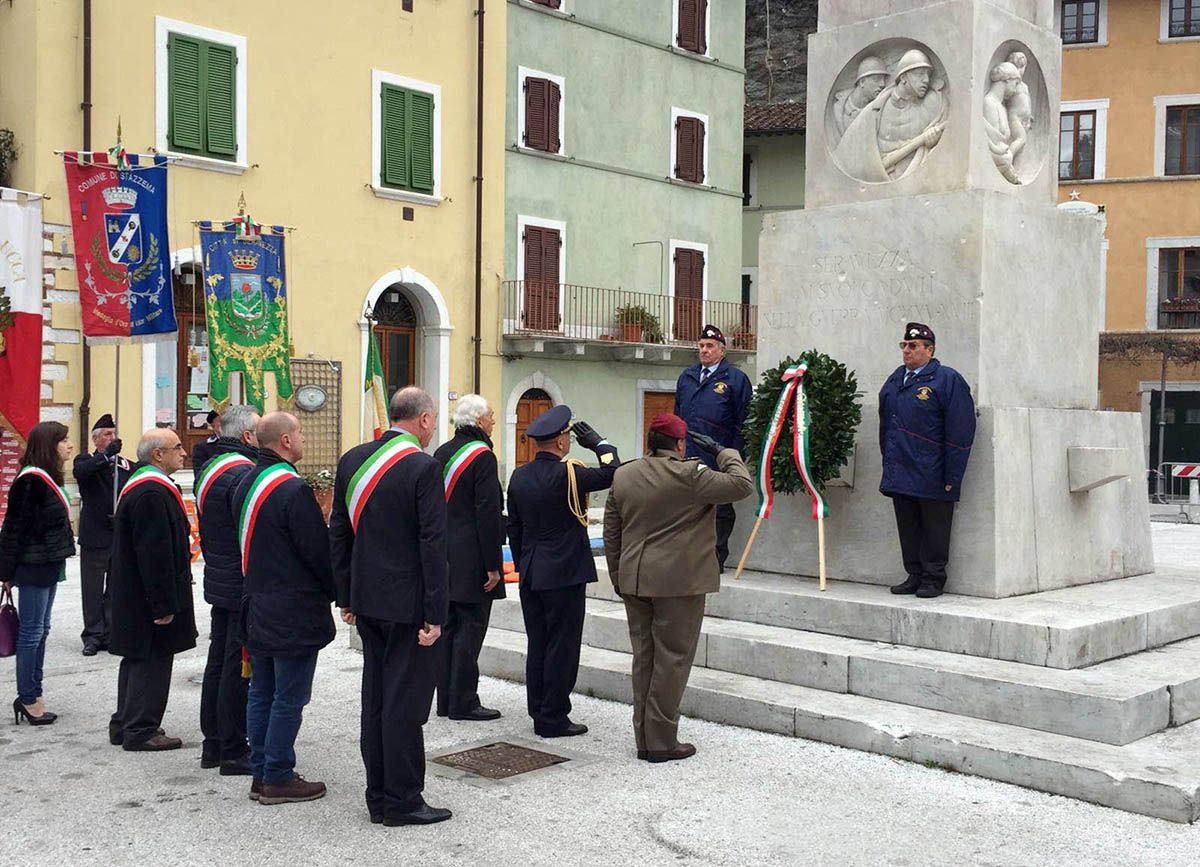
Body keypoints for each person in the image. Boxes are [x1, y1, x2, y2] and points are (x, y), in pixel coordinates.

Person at [331, 387, 451, 826]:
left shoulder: (352, 460)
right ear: (422, 420)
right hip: (409, 607)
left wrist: (345, 595)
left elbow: (339, 533)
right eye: (433, 419)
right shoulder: (423, 466)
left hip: (368, 600)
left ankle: (378, 796)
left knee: (376, 700)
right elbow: (432, 545)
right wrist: (436, 613)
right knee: (403, 705)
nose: (433, 426)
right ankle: (402, 800)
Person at [604, 413, 753, 762]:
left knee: (645, 658)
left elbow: (612, 530)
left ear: (649, 442)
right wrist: (724, 451)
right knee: (672, 660)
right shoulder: (689, 474)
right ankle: (660, 741)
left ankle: (644, 735)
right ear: (681, 444)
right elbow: (742, 485)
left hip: (634, 579)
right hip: (678, 583)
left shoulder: (624, 474)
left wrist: (618, 575)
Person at [232, 411, 335, 805]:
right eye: (301, 433)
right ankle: (277, 774)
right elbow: (316, 552)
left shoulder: (247, 481)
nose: (304, 438)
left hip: (256, 600)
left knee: (261, 691)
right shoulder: (291, 490)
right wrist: (339, 591)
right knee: (288, 696)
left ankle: (261, 771)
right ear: (286, 441)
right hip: (291, 609)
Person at [506, 404, 619, 738]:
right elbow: (614, 472)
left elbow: (514, 528)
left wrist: (524, 563)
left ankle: (538, 708)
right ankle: (553, 716)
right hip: (564, 574)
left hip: (531, 571)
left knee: (538, 642)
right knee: (562, 646)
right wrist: (600, 443)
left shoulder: (519, 476)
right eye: (568, 437)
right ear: (559, 442)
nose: (569, 442)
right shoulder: (571, 474)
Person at [108, 428, 197, 750]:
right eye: (176, 448)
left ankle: (124, 723)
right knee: (151, 660)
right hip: (148, 599)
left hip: (137, 595)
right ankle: (141, 729)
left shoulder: (146, 487)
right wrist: (163, 604)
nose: (183, 453)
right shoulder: (151, 493)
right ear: (157, 454)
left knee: (136, 658)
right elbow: (154, 554)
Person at [879, 323, 976, 599]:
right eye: (904, 346)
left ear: (929, 350)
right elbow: (886, 424)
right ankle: (914, 573)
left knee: (934, 527)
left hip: (932, 470)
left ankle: (933, 577)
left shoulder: (946, 380)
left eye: (913, 346)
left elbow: (960, 429)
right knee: (908, 525)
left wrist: (952, 475)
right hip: (901, 468)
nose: (907, 351)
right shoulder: (896, 380)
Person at [195, 404, 260, 776]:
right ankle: (233, 749)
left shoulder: (212, 467)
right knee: (238, 667)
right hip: (238, 581)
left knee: (219, 661)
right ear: (248, 436)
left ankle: (214, 743)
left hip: (220, 577)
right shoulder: (241, 473)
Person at [433, 394, 505, 722]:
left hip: (444, 554)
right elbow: (487, 514)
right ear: (478, 422)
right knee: (470, 630)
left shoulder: (442, 452)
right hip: (473, 558)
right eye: (490, 416)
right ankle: (464, 701)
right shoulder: (482, 457)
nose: (492, 421)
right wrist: (493, 564)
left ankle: (446, 700)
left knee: (447, 629)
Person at [1, 422, 76, 726]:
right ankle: (28, 698)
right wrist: (6, 572)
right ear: (50, 445)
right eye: (64, 440)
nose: (69, 445)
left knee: (41, 629)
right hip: (33, 566)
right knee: (31, 633)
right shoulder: (31, 480)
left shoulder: (48, 478)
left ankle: (35, 692)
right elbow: (13, 529)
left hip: (48, 564)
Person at [673, 324, 752, 572]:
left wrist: (734, 457)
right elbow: (677, 416)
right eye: (701, 346)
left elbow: (744, 422)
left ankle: (716, 558)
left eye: (709, 346)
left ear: (722, 351)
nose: (704, 351)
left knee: (720, 509)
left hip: (718, 456)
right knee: (687, 507)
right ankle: (689, 556)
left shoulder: (736, 380)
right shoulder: (687, 377)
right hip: (688, 455)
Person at [834, 48, 947, 181]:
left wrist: (931, 142)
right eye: (920, 74)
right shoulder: (877, 108)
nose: (926, 80)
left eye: (928, 74)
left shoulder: (933, 102)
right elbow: (848, 155)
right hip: (879, 179)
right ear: (903, 77)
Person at [72, 413, 132, 656]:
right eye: (107, 435)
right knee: (93, 589)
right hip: (95, 534)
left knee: (115, 588)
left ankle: (111, 631)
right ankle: (93, 634)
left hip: (118, 534)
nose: (112, 438)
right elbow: (82, 473)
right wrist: (106, 456)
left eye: (114, 434)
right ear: (96, 439)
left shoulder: (124, 465)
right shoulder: (86, 460)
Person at [832, 55, 888, 139]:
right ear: (862, 82)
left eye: (884, 80)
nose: (882, 84)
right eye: (876, 79)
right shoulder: (839, 109)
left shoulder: (880, 110)